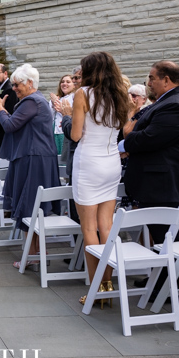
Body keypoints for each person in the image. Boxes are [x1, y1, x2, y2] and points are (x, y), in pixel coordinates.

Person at [0, 64, 60, 267]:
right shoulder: (36, 100)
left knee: (29, 204)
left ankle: (33, 255)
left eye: (17, 84)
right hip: (35, 157)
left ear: (30, 83)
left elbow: (9, 126)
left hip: (33, 159)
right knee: (35, 206)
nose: (14, 88)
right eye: (14, 84)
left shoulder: (32, 101)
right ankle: (36, 253)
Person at [69, 52, 130, 304]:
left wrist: (66, 114)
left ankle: (97, 290)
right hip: (111, 161)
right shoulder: (121, 94)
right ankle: (107, 286)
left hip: (89, 163)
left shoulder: (83, 94)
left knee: (88, 228)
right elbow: (122, 129)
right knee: (106, 226)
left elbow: (74, 135)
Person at [121, 61, 179, 244]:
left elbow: (149, 138)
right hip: (161, 181)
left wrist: (125, 144)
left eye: (151, 78)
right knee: (164, 237)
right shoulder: (171, 100)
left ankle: (171, 273)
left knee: (168, 238)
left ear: (166, 80)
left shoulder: (175, 105)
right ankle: (166, 272)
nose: (148, 83)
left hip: (163, 183)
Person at [52, 74, 75, 154]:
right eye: (62, 82)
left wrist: (60, 107)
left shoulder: (74, 97)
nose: (64, 84)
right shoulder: (57, 98)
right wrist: (53, 103)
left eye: (68, 82)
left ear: (74, 85)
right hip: (55, 132)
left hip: (66, 131)